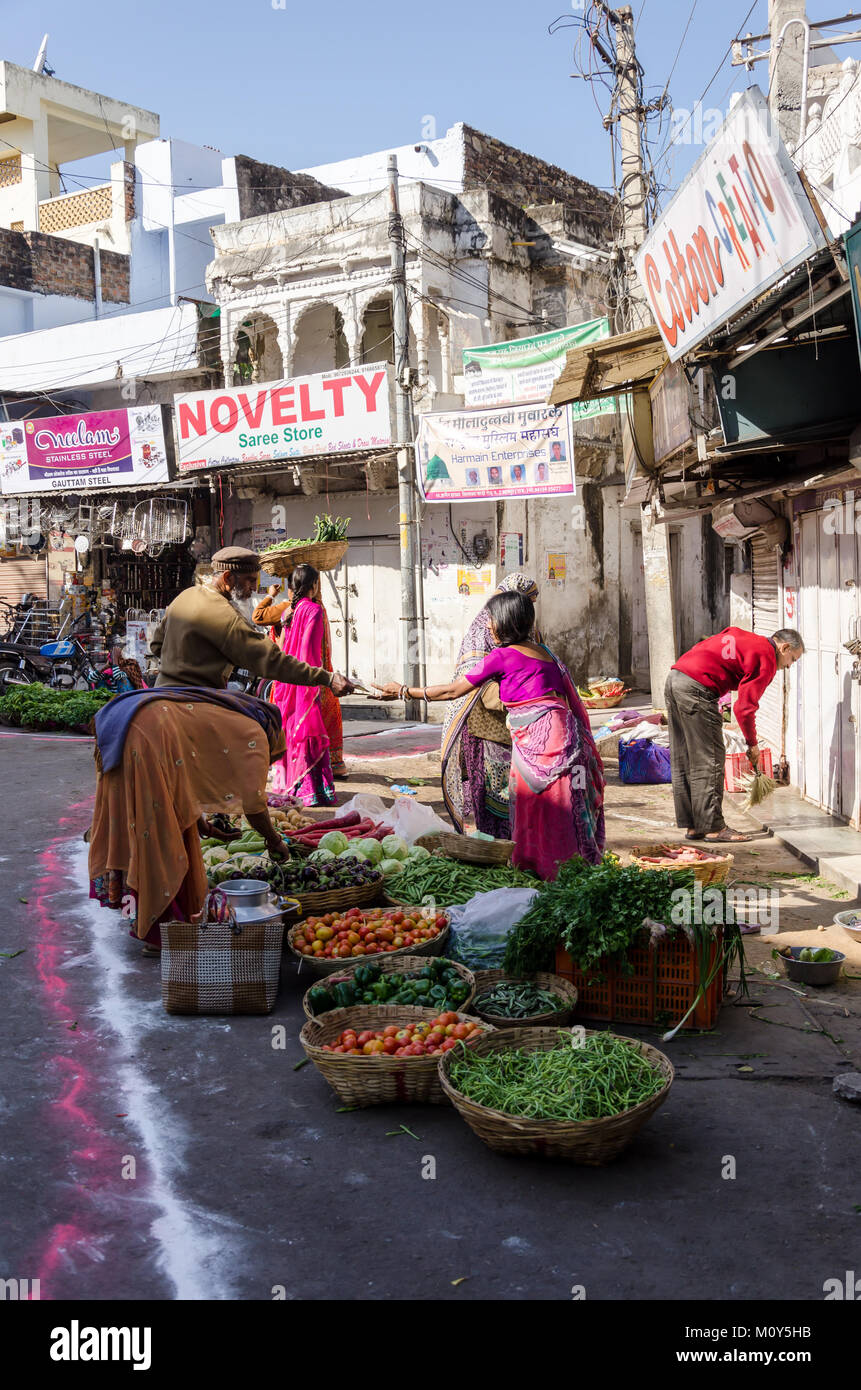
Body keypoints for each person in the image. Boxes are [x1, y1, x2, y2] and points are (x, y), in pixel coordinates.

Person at [377, 589, 605, 878]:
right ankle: (572, 875)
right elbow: (571, 702)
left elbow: (452, 690)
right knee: (563, 812)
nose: (488, 625)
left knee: (536, 812)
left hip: (537, 744)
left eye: (492, 619)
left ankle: (538, 874)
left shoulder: (501, 657)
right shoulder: (547, 653)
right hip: (567, 742)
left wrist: (403, 691)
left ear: (507, 622)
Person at [88, 685, 291, 955]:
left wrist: (204, 825)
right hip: (149, 734)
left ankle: (148, 921)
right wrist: (274, 840)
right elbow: (254, 804)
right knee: (159, 835)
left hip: (126, 726)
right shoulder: (255, 734)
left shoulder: (227, 711)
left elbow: (184, 781)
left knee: (134, 827)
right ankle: (161, 933)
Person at [148, 546, 351, 698]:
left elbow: (156, 645)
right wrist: (327, 678)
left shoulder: (185, 596)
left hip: (161, 691)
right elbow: (270, 660)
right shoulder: (226, 616)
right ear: (228, 577)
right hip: (197, 700)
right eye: (250, 580)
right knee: (265, 726)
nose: (254, 587)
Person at [665, 626, 804, 843]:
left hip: (675, 678)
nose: (787, 667)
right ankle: (713, 827)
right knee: (710, 759)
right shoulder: (766, 658)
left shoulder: (747, 638)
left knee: (684, 756)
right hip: (697, 688)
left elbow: (724, 639)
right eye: (792, 659)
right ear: (784, 647)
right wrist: (752, 744)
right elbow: (744, 708)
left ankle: (694, 825)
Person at [440, 573, 538, 837]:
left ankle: (513, 849)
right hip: (487, 730)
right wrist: (521, 699)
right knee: (493, 799)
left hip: (518, 730)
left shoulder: (529, 632)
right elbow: (463, 688)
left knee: (518, 800)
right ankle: (495, 850)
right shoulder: (484, 631)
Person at [254, 563, 340, 804]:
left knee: (291, 731)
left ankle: (292, 786)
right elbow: (308, 650)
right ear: (313, 586)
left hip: (285, 680)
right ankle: (311, 791)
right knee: (308, 731)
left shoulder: (286, 613)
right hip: (304, 680)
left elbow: (282, 648)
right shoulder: (314, 611)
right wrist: (316, 679)